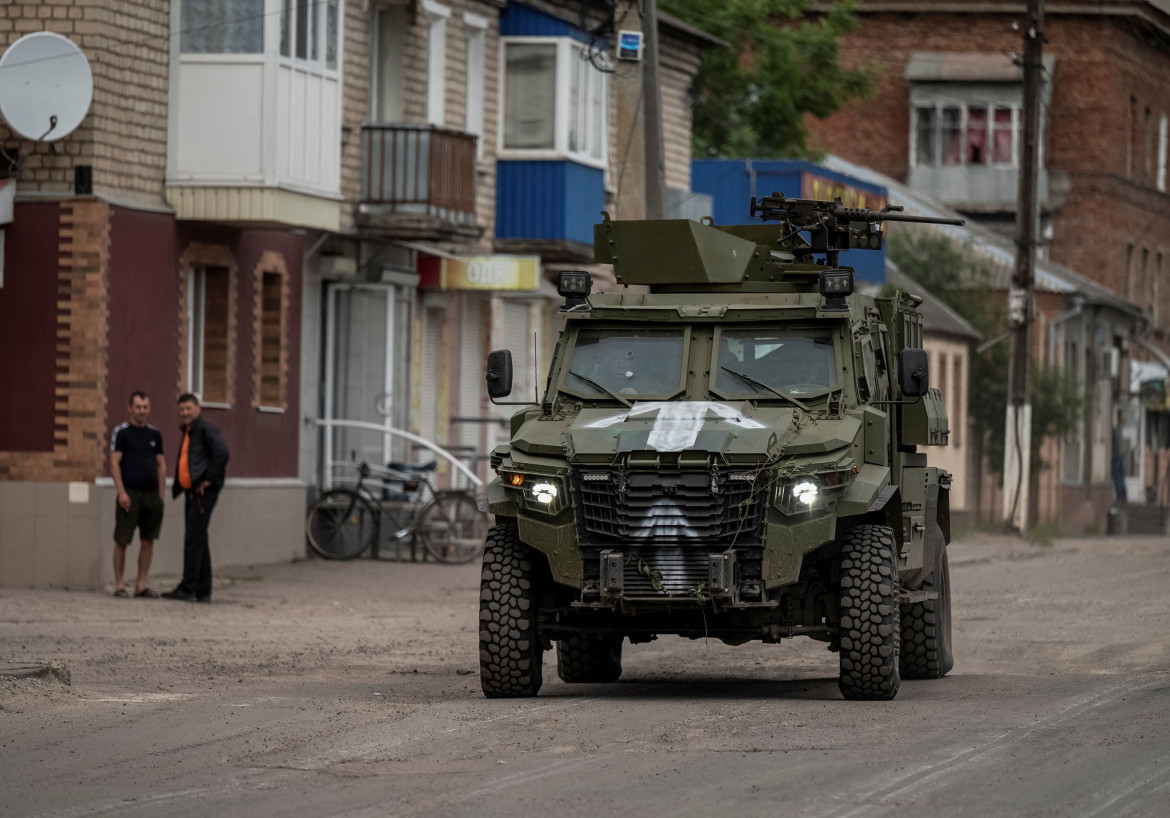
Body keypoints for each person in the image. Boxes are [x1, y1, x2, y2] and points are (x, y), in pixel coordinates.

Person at [162, 394, 230, 604]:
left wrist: (208, 479)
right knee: (199, 538)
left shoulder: (206, 429)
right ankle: (203, 590)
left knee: (193, 538)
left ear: (198, 407)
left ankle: (188, 587)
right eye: (182, 409)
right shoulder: (190, 431)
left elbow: (222, 452)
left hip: (203, 492)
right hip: (191, 491)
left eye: (188, 408)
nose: (185, 413)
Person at [109, 391, 166, 598]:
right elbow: (114, 463)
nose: (142, 411)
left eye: (145, 407)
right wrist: (121, 492)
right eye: (138, 407)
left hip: (151, 496)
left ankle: (141, 585)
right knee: (122, 539)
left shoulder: (155, 434)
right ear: (130, 408)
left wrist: (160, 495)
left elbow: (161, 465)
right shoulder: (121, 432)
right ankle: (119, 585)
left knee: (148, 540)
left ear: (149, 409)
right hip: (129, 495)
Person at [1111, 409, 1129, 504]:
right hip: (1121, 455)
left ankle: (1120, 496)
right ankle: (1124, 496)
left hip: (1116, 455)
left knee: (1117, 476)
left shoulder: (1114, 430)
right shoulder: (1122, 429)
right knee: (1121, 476)